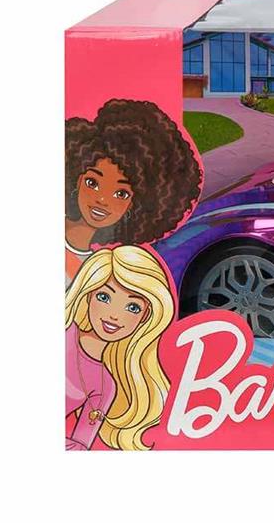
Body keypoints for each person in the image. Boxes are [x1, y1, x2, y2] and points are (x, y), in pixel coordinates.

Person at [64, 99, 202, 282]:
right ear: (76, 179)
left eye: (121, 194)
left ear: (136, 206)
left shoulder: (107, 269)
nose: (102, 200)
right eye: (92, 182)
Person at [64, 245, 175, 451]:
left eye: (133, 307)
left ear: (145, 317)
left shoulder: (105, 386)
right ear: (88, 295)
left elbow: (80, 445)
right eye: (104, 297)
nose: (114, 315)